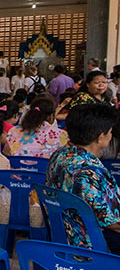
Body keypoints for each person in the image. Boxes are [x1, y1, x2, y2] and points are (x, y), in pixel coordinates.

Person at [47, 104, 120, 254]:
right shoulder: (89, 171)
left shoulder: (61, 154)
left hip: (60, 231)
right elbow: (112, 222)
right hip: (85, 241)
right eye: (110, 132)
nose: (111, 135)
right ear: (100, 137)